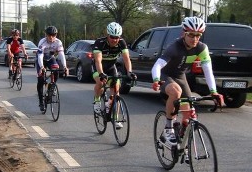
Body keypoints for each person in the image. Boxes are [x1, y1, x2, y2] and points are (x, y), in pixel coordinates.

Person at [150, 16, 224, 144]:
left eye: (198, 35)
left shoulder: (201, 48)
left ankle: (181, 138)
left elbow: (208, 71)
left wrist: (214, 92)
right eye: (191, 35)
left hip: (180, 76)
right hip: (165, 75)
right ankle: (168, 129)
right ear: (184, 33)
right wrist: (156, 80)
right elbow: (157, 66)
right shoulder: (174, 47)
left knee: (189, 114)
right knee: (176, 92)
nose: (195, 39)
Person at [92, 22, 136, 117]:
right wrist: (101, 74)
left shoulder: (121, 43)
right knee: (101, 82)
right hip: (98, 67)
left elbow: (127, 59)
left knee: (116, 90)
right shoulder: (100, 43)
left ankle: (115, 117)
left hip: (111, 67)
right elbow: (98, 61)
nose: (115, 40)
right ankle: (97, 100)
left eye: (117, 37)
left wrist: (130, 72)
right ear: (107, 35)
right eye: (112, 37)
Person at [36, 25, 68, 111]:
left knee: (56, 70)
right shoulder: (42, 42)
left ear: (56, 35)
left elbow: (61, 55)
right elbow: (40, 55)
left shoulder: (58, 42)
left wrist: (65, 67)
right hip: (41, 59)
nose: (51, 37)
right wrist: (42, 67)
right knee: (40, 79)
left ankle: (52, 87)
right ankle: (41, 102)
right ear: (46, 35)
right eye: (49, 35)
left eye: (53, 35)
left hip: (50, 58)